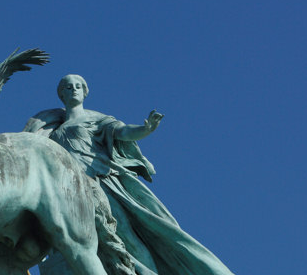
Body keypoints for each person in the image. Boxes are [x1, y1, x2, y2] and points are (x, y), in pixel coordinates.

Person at [25, 74, 232, 275]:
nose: (73, 90)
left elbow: (122, 132)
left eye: (78, 86)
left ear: (85, 92)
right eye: (68, 87)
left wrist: (145, 129)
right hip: (69, 190)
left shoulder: (96, 119)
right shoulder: (50, 129)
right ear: (61, 94)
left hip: (100, 182)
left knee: (124, 236)